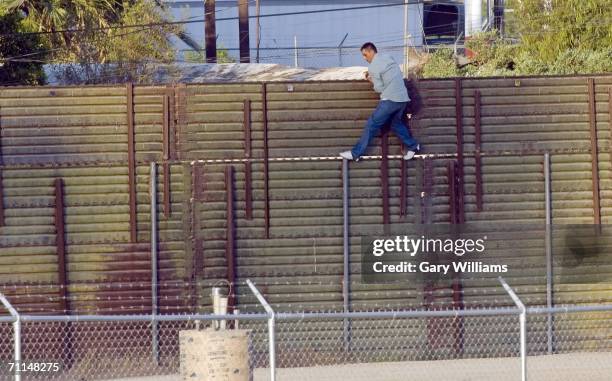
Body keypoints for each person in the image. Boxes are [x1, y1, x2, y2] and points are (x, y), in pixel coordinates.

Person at [340, 42, 420, 161]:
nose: (364, 58)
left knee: (371, 124)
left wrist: (369, 79)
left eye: (365, 55)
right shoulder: (388, 57)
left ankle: (355, 154)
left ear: (371, 51)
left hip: (390, 100)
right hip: (403, 99)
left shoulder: (373, 67)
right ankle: (413, 146)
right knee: (395, 123)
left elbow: (379, 88)